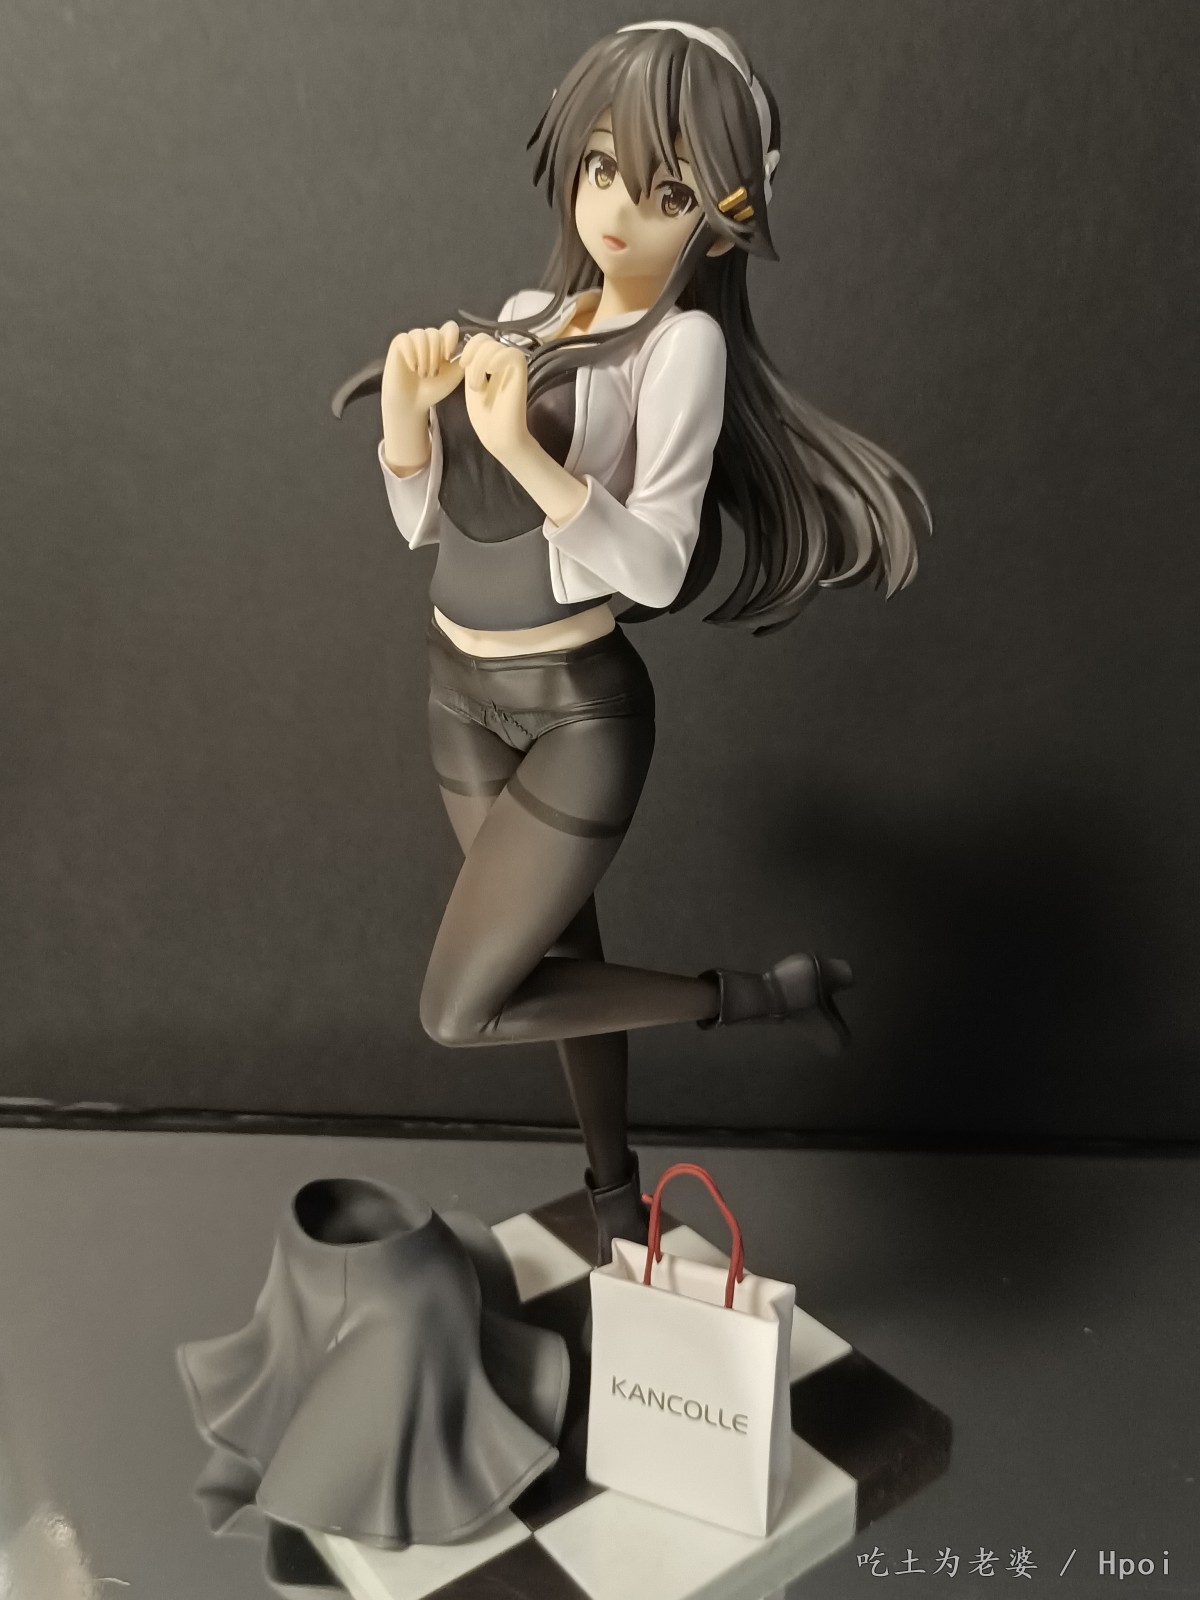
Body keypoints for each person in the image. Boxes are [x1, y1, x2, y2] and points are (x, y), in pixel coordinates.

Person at [338, 21, 930, 1262]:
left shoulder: (683, 348)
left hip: (575, 711)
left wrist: (522, 450)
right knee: (558, 963)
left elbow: (655, 559)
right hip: (456, 691)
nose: (618, 209)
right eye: (605, 167)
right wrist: (406, 424)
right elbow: (428, 525)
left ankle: (739, 999)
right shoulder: (527, 314)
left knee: (462, 1005)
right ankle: (616, 1197)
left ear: (720, 217)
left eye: (666, 192)